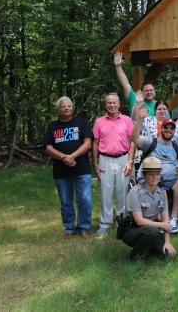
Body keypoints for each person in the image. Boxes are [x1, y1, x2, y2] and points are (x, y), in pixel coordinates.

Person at [132, 104, 178, 233]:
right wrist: (140, 119)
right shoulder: (151, 142)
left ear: (174, 131)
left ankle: (173, 219)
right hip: (151, 177)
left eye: (172, 128)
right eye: (166, 127)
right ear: (162, 128)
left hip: (170, 178)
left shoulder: (177, 147)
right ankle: (159, 221)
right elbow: (135, 138)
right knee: (156, 183)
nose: (169, 130)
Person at [43, 97, 93, 239]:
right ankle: (69, 229)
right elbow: (48, 147)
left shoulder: (81, 123)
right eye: (63, 106)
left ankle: (83, 228)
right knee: (65, 201)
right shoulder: (53, 126)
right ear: (58, 110)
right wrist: (64, 157)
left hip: (81, 169)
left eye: (69, 105)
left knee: (85, 200)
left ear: (72, 108)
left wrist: (72, 156)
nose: (67, 108)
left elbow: (88, 143)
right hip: (61, 171)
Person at [92, 92, 134, 236]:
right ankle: (105, 223)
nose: (111, 105)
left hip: (123, 158)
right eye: (109, 103)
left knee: (122, 192)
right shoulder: (99, 122)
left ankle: (121, 221)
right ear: (105, 105)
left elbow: (133, 141)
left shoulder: (127, 120)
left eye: (114, 102)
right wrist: (95, 163)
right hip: (105, 159)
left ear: (118, 104)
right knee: (105, 192)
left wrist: (130, 161)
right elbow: (95, 142)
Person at [122, 157, 177, 262]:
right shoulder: (135, 192)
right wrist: (161, 225)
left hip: (152, 229)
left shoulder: (161, 192)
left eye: (157, 174)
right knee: (152, 231)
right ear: (144, 176)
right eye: (151, 174)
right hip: (132, 230)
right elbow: (139, 221)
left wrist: (167, 242)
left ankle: (148, 249)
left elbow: (166, 219)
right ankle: (136, 256)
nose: (155, 177)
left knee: (169, 255)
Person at [113, 52, 157, 116]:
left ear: (155, 91)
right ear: (141, 92)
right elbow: (126, 85)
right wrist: (118, 66)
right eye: (146, 91)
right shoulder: (134, 99)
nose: (149, 92)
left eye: (151, 90)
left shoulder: (161, 107)